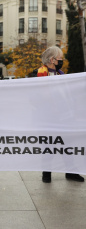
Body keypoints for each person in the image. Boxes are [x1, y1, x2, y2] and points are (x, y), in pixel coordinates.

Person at [37, 46, 85, 183]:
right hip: (48, 117)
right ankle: (46, 174)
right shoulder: (41, 72)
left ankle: (71, 172)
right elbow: (43, 95)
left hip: (64, 116)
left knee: (67, 145)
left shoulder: (60, 74)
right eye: (60, 59)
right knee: (49, 145)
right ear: (52, 60)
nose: (61, 61)